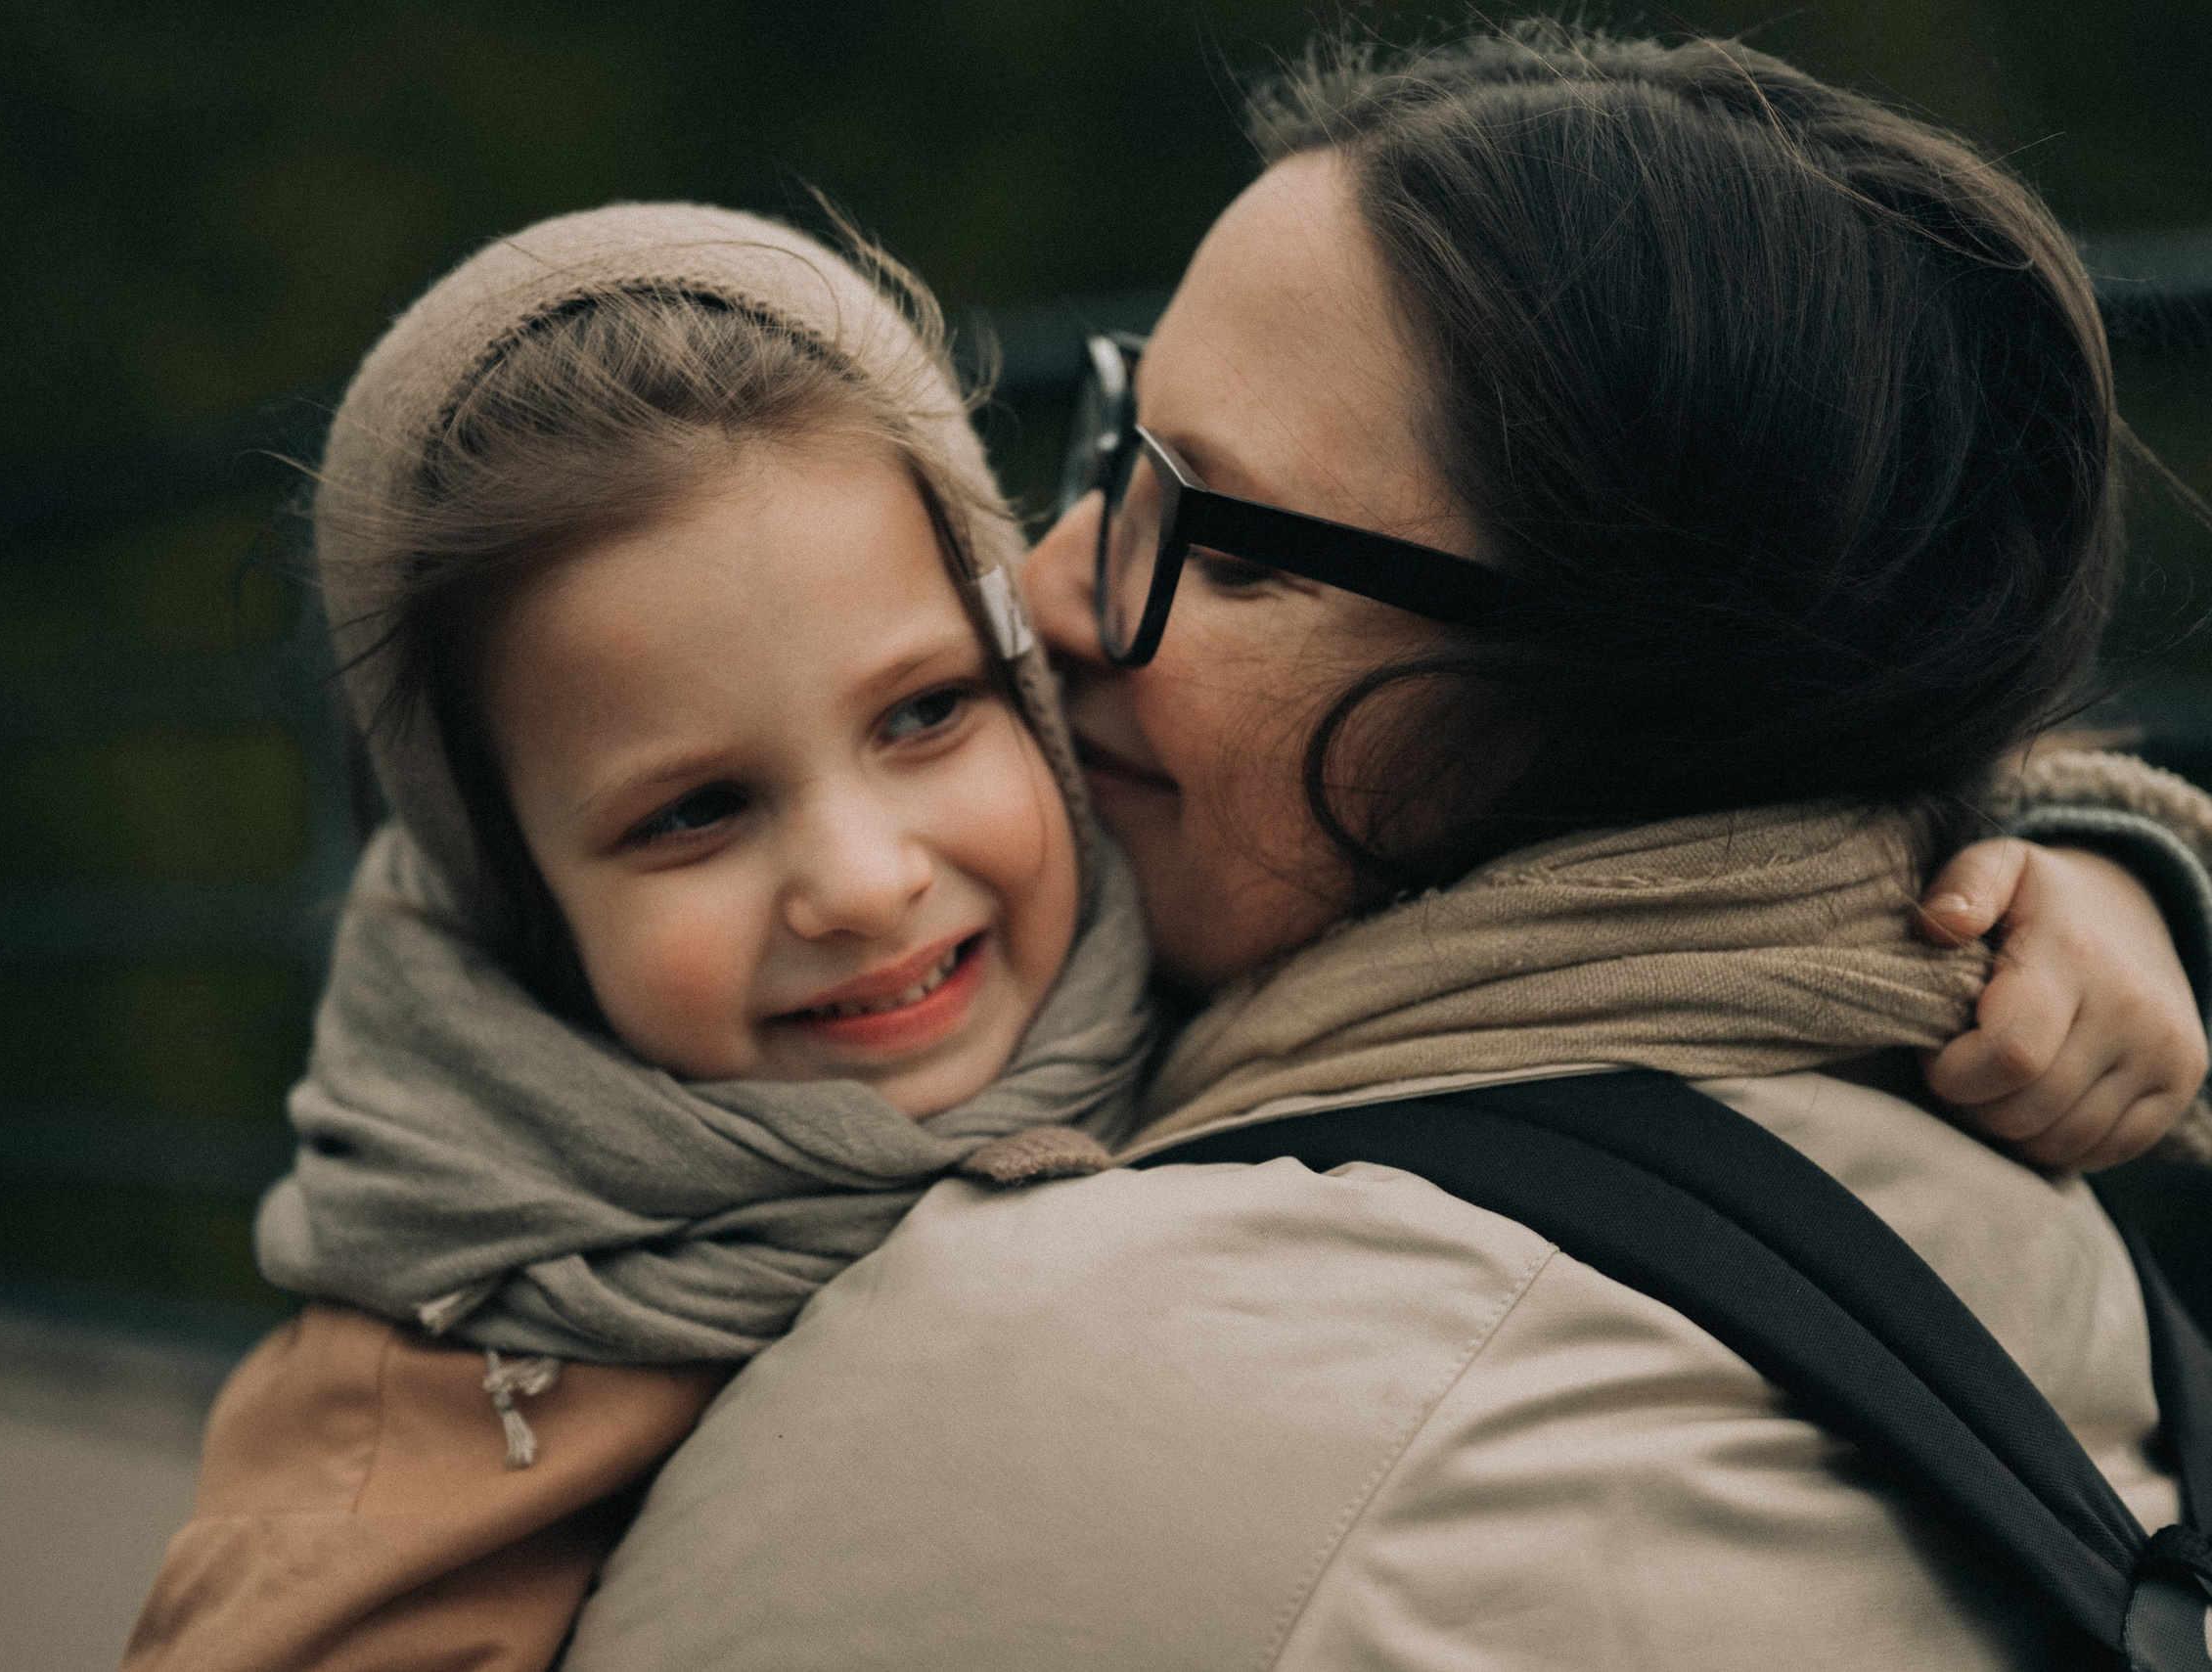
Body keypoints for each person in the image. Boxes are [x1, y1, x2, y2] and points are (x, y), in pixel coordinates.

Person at [546, 25, 2212, 1672]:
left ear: (1611, 701)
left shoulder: (1092, 1386)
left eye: (1221, 544)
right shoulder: (1992, 1145)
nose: (1050, 588)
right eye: (1120, 449)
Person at [123, 202, 1157, 1672]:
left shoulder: (1239, 977)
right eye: (693, 812)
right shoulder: (410, 1432)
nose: (861, 883)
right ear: (520, 900)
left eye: (924, 712)